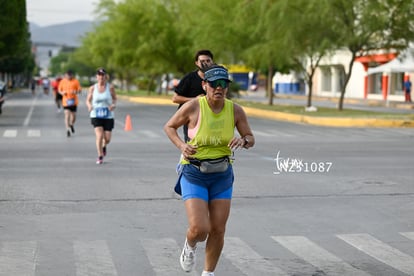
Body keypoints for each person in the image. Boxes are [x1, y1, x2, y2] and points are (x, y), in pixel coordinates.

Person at [164, 65, 255, 276]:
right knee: (199, 229)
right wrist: (181, 145)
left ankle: (208, 273)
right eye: (214, 84)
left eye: (224, 84)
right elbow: (169, 127)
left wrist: (243, 140)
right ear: (205, 85)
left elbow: (251, 139)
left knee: (218, 229)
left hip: (222, 174)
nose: (219, 88)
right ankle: (190, 245)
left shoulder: (235, 110)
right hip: (194, 172)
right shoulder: (194, 107)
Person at [173, 49, 214, 142]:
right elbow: (175, 98)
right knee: (192, 144)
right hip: (192, 117)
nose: (205, 63)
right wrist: (195, 99)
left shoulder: (216, 79)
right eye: (202, 61)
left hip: (211, 117)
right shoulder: (189, 78)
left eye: (208, 61)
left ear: (212, 62)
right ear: (196, 63)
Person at [86, 68, 117, 164]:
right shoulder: (92, 88)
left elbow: (115, 99)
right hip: (96, 114)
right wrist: (89, 105)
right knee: (99, 135)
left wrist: (113, 105)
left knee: (107, 139)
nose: (101, 77)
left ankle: (104, 144)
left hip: (108, 115)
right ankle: (100, 156)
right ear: (96, 77)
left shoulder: (110, 87)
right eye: (99, 75)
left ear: (105, 77)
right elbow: (88, 100)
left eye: (102, 75)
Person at [58, 70, 82, 137]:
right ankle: (67, 129)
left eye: (70, 75)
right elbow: (59, 90)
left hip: (74, 102)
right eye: (67, 75)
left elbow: (80, 90)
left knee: (73, 117)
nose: (69, 76)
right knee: (67, 115)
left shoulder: (76, 81)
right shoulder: (62, 81)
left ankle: (71, 124)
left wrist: (76, 91)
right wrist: (62, 93)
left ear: (72, 75)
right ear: (65, 75)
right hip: (66, 101)